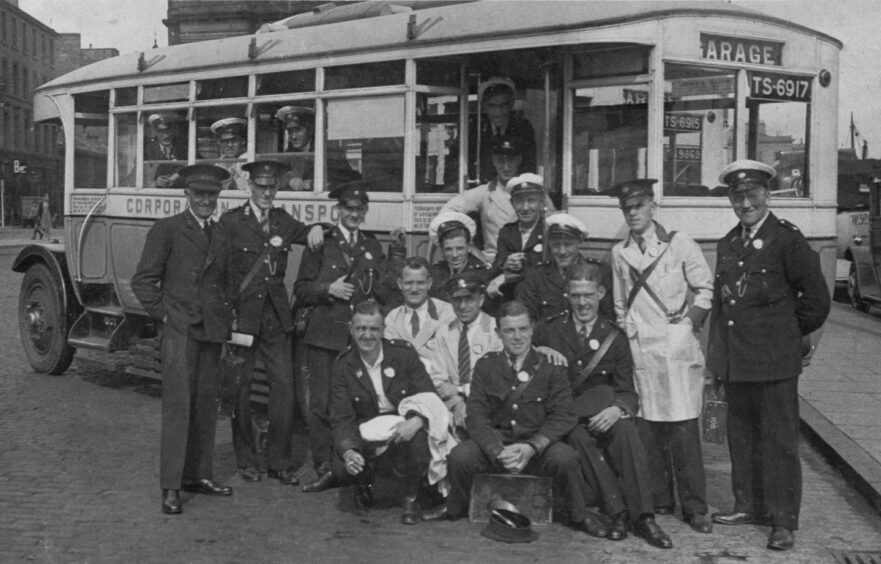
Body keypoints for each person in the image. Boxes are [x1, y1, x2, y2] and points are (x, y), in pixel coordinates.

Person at [708, 160, 830, 551]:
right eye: (738, 196)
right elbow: (722, 307)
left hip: (775, 362)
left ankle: (782, 521)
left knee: (779, 442)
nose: (745, 204)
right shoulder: (728, 243)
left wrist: (787, 338)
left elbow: (817, 301)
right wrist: (717, 364)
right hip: (738, 361)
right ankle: (749, 505)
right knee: (741, 437)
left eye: (753, 195)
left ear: (768, 195)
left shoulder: (787, 240)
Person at [423, 300, 605, 537]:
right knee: (460, 456)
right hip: (499, 446)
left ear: (532, 329)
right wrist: (497, 450)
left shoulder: (551, 367)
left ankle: (578, 514)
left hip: (536, 446)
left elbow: (563, 416)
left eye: (523, 329)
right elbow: (476, 416)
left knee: (566, 458)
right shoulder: (486, 366)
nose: (517, 337)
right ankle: (455, 506)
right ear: (499, 333)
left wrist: (532, 447)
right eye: (509, 330)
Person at [534, 261, 672, 548]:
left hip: (603, 412)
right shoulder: (548, 332)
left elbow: (627, 390)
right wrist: (538, 351)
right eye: (575, 295)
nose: (582, 303)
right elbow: (527, 366)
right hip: (564, 417)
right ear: (567, 296)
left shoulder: (615, 338)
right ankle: (617, 512)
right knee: (579, 436)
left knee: (627, 431)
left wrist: (617, 409)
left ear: (601, 293)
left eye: (588, 295)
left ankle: (644, 517)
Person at [607, 178, 714, 534]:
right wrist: (630, 331)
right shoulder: (619, 253)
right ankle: (660, 498)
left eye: (638, 206)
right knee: (649, 427)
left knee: (683, 427)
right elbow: (621, 304)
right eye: (627, 208)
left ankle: (696, 507)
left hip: (677, 346)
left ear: (653, 206)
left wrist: (688, 323)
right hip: (643, 350)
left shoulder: (678, 244)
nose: (633, 213)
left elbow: (705, 288)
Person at [131, 164, 234, 515]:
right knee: (178, 407)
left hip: (211, 331)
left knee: (206, 406)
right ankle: (171, 486)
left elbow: (226, 284)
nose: (206, 201)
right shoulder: (168, 229)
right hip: (180, 331)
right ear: (186, 195)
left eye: (212, 195)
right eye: (199, 194)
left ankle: (198, 475)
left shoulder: (221, 234)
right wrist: (165, 316)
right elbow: (143, 281)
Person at [214, 160, 325, 486]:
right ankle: (247, 460)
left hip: (276, 318)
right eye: (261, 187)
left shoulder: (282, 220)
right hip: (243, 318)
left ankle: (279, 462)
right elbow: (219, 271)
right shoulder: (232, 222)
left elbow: (308, 234)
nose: (266, 193)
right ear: (250, 187)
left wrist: (320, 227)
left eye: (272, 188)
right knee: (240, 390)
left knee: (283, 392)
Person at [296, 181, 405, 493]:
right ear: (338, 210)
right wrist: (326, 289)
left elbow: (384, 289)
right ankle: (323, 464)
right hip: (325, 334)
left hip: (359, 339)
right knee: (321, 404)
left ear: (365, 212)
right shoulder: (320, 243)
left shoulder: (371, 247)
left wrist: (397, 254)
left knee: (357, 404)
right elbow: (301, 289)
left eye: (359, 209)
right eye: (348, 209)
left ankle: (350, 462)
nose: (354, 214)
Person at [328, 300, 443, 523]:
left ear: (383, 330)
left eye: (373, 329)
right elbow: (342, 417)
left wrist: (418, 420)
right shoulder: (343, 365)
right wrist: (349, 450)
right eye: (361, 328)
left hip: (403, 421)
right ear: (351, 329)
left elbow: (429, 395)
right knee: (342, 467)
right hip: (365, 426)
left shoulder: (403, 355)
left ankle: (411, 498)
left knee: (419, 439)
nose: (367, 335)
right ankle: (364, 483)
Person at [441, 138, 539, 264]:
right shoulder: (485, 193)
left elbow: (551, 221)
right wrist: (471, 248)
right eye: (500, 161)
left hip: (529, 262)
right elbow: (448, 211)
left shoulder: (535, 191)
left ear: (519, 160)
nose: (505, 167)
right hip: (494, 262)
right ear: (493, 161)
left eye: (510, 160)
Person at [431, 272, 502, 436]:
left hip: (488, 407)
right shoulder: (444, 331)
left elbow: (495, 381)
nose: (462, 306)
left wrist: (460, 390)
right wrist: (457, 402)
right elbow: (438, 379)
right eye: (457, 300)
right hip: (452, 407)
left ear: (481, 300)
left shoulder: (494, 330)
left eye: (469, 299)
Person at [383, 256, 455, 376]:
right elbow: (390, 359)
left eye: (420, 283)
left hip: (439, 383)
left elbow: (450, 357)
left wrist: (408, 349)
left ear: (429, 283)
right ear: (400, 284)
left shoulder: (447, 313)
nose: (414, 289)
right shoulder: (392, 318)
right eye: (409, 283)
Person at [514, 212, 586, 322]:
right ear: (549, 244)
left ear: (580, 242)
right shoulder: (535, 277)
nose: (562, 251)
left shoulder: (598, 272)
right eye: (556, 245)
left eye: (568, 245)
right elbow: (525, 319)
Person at [486, 173, 547, 299]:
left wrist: (504, 277)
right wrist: (505, 263)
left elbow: (546, 272)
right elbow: (496, 265)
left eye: (531, 201)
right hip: (511, 295)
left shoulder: (548, 231)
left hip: (541, 296)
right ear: (512, 203)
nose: (525, 208)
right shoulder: (507, 232)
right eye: (519, 201)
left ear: (541, 203)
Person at [468, 77, 537, 184]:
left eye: (503, 105)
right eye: (492, 106)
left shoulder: (523, 127)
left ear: (511, 104)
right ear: (483, 107)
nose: (498, 112)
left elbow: (529, 166)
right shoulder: (474, 129)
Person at [427, 211, 491, 303]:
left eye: (460, 248)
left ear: (469, 247)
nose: (455, 255)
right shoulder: (434, 272)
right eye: (448, 249)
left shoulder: (482, 273)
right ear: (441, 249)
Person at [145, 112, 186, 188]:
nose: (166, 136)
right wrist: (154, 183)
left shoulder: (184, 147)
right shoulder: (147, 149)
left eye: (168, 131)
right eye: (161, 132)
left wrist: (178, 177)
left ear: (174, 131)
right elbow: (133, 177)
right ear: (155, 132)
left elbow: (197, 168)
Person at [210, 117, 249, 190]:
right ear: (220, 143)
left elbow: (245, 188)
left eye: (234, 141)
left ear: (242, 142)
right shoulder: (219, 163)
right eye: (225, 141)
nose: (230, 145)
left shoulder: (246, 159)